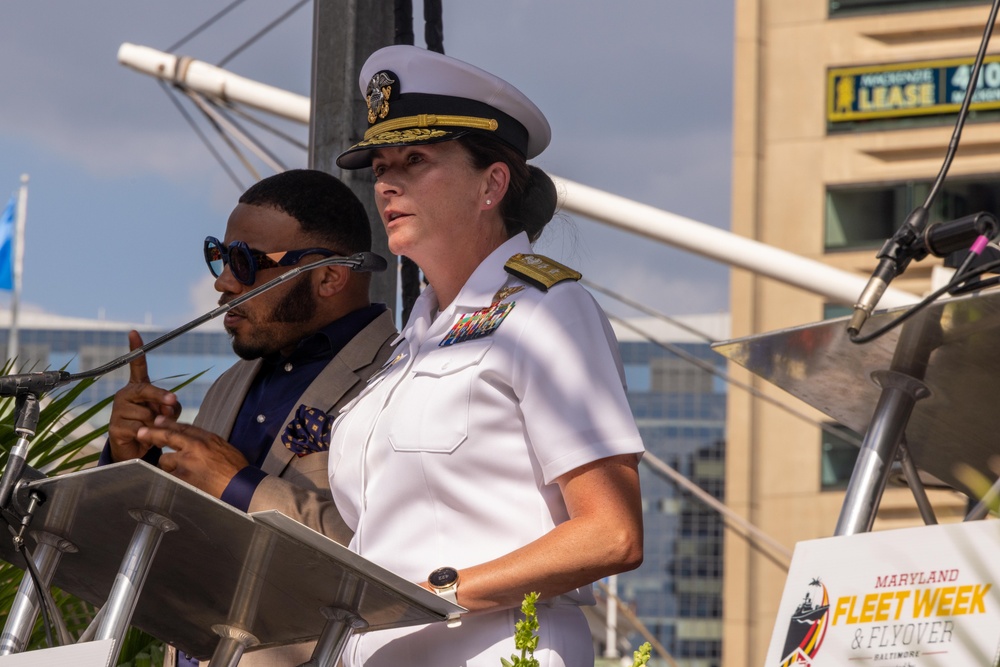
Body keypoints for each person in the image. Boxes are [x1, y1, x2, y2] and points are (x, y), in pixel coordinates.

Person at [328, 45, 645, 666]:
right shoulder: (408, 345)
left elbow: (612, 533)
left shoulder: (548, 311)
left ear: (491, 183)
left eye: (415, 159)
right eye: (381, 166)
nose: (387, 183)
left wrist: (440, 593)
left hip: (495, 650)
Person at [102, 169, 397, 666]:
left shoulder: (398, 376)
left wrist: (238, 483)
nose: (222, 282)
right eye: (220, 256)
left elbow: (388, 556)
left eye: (245, 262)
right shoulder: (229, 386)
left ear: (329, 276)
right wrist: (136, 460)